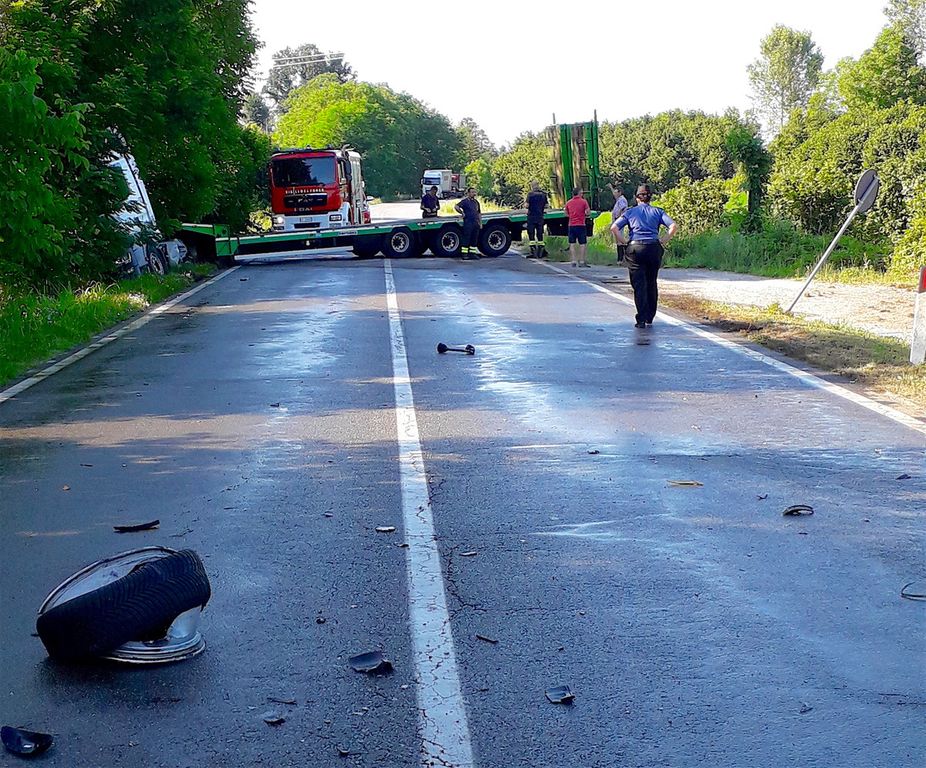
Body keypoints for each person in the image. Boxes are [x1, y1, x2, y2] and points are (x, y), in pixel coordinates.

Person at [610, 184, 678, 328]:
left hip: (635, 248)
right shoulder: (658, 211)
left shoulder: (630, 212)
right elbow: (673, 226)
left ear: (636, 198)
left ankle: (641, 318)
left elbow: (614, 227)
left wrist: (624, 242)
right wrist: (663, 240)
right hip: (653, 247)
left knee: (639, 284)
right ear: (650, 197)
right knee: (651, 282)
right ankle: (650, 316)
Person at [564, 187, 591, 267]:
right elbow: (588, 212)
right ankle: (581, 261)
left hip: (571, 225)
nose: (582, 194)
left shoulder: (568, 202)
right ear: (579, 193)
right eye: (581, 193)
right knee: (582, 243)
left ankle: (573, 261)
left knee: (572, 243)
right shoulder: (584, 202)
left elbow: (565, 213)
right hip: (581, 225)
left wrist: (571, 216)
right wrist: (584, 215)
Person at [454, 187, 482, 259]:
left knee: (474, 239)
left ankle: (472, 254)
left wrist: (480, 223)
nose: (474, 193)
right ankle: (464, 254)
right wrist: (462, 212)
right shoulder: (465, 201)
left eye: (474, 192)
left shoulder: (476, 202)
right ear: (468, 193)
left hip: (475, 223)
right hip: (468, 223)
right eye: (472, 192)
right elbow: (456, 206)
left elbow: (479, 213)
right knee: (466, 238)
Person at [525, 181, 548, 258]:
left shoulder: (530, 194)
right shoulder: (543, 194)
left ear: (532, 186)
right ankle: (541, 252)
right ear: (538, 185)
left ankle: (533, 252)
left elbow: (527, 205)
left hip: (531, 217)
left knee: (531, 234)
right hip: (540, 217)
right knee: (540, 234)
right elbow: (547, 206)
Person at [609, 183, 628, 262]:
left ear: (620, 192)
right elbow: (614, 195)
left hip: (619, 220)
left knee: (619, 239)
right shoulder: (619, 199)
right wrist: (611, 187)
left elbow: (623, 207)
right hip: (618, 220)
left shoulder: (622, 200)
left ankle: (621, 258)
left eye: (616, 192)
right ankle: (621, 258)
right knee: (618, 239)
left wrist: (618, 216)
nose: (615, 194)